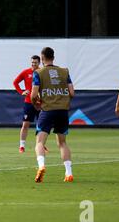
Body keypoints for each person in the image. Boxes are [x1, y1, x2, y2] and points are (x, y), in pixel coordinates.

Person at [31, 47, 75, 183]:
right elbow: (72, 93)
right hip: (62, 111)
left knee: (40, 142)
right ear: (53, 57)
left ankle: (41, 166)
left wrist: (36, 103)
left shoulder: (39, 72)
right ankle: (68, 173)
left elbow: (33, 95)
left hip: (48, 110)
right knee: (62, 143)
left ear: (42, 58)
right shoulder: (64, 71)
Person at [13, 55, 41, 153]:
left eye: (35, 62)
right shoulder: (26, 72)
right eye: (32, 62)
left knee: (41, 125)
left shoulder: (42, 72)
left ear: (39, 63)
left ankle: (40, 145)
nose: (33, 64)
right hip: (29, 103)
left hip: (40, 104)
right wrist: (22, 92)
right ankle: (22, 146)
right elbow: (15, 82)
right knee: (25, 124)